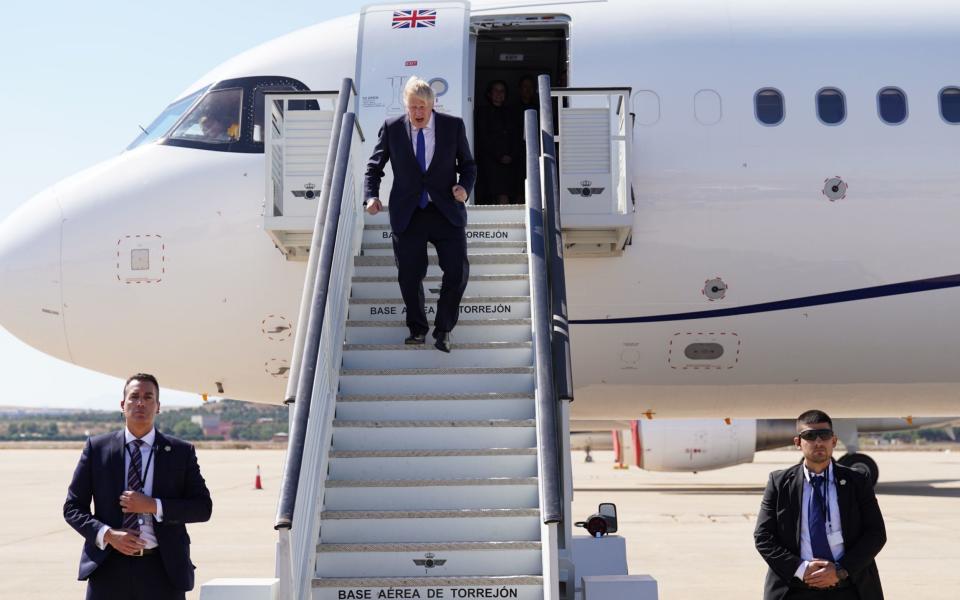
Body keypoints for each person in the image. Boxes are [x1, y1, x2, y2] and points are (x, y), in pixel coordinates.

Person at [63, 373, 213, 600]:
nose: (140, 402)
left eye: (148, 397)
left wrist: (155, 506)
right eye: (134, 397)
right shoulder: (98, 449)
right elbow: (72, 507)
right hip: (108, 569)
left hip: (163, 571)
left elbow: (202, 508)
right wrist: (108, 534)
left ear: (158, 406)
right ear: (123, 405)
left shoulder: (181, 452)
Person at [364, 76, 477, 353]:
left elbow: (469, 165)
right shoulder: (392, 129)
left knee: (457, 271)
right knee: (409, 276)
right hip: (409, 213)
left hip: (445, 210)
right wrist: (371, 196)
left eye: (422, 107)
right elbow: (374, 167)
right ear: (406, 106)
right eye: (412, 107)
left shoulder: (453, 126)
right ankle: (417, 329)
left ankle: (444, 328)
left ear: (432, 105)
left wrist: (464, 188)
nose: (417, 113)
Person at [754, 410, 886, 600]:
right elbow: (763, 536)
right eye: (809, 436)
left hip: (849, 587)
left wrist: (840, 570)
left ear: (833, 441)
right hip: (794, 588)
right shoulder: (779, 482)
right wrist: (801, 569)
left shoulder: (857, 481)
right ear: (797, 442)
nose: (818, 442)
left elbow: (876, 533)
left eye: (824, 435)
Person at [475, 80, 521, 204]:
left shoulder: (512, 113)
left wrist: (512, 155)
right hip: (490, 163)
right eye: (496, 90)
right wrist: (499, 156)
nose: (499, 93)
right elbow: (483, 138)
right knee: (497, 193)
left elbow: (517, 136)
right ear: (489, 93)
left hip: (511, 162)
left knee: (512, 192)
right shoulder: (482, 113)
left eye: (502, 91)